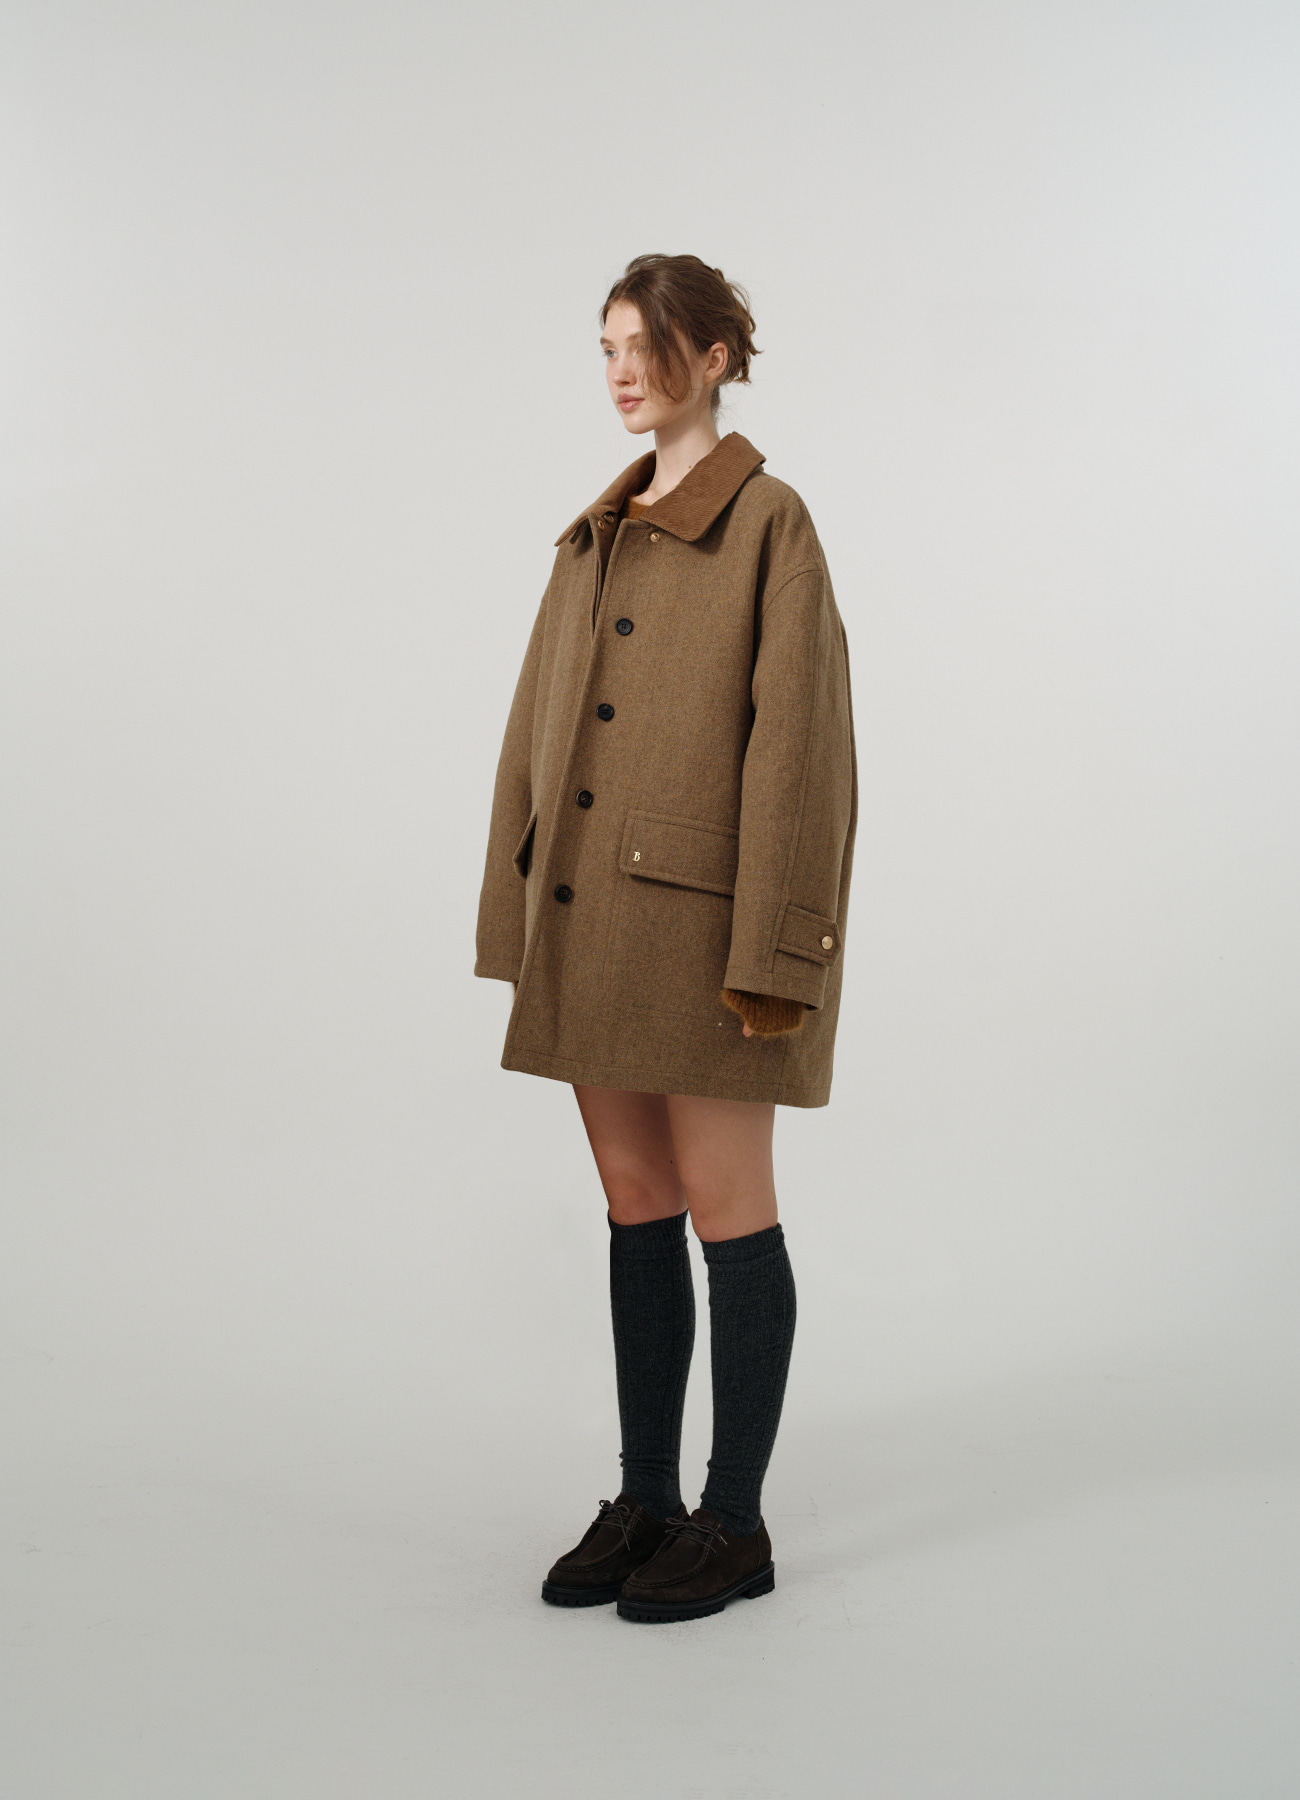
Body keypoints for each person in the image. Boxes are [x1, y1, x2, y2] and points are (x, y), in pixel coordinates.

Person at [475, 253, 857, 1623]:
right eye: (607, 346)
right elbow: (532, 737)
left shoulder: (770, 525)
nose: (624, 370)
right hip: (590, 921)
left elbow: (802, 757)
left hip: (707, 940)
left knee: (728, 1212)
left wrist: (778, 955)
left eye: (647, 344)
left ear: (714, 359)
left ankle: (733, 1522)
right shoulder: (592, 535)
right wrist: (515, 913)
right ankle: (645, 1498)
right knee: (635, 1204)